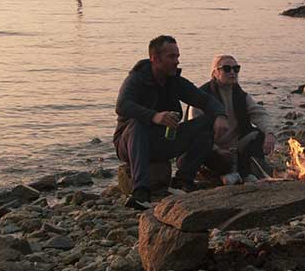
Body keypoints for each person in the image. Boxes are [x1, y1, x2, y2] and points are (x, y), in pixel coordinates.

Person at [115, 35, 226, 204]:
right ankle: (141, 192)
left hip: (164, 140)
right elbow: (122, 105)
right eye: (172, 57)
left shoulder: (175, 81)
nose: (177, 61)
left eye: (178, 56)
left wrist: (220, 115)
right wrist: (154, 116)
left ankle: (182, 181)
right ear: (155, 59)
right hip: (130, 142)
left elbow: (204, 100)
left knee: (207, 122)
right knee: (138, 124)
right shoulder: (136, 79)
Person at [197, 54, 272, 182]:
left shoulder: (240, 94)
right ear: (215, 72)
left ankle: (244, 172)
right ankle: (223, 173)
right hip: (212, 146)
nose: (232, 72)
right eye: (227, 68)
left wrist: (270, 133)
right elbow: (195, 130)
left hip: (236, 146)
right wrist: (216, 149)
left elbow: (259, 113)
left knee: (259, 135)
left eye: (236, 68)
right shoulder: (202, 95)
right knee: (202, 146)